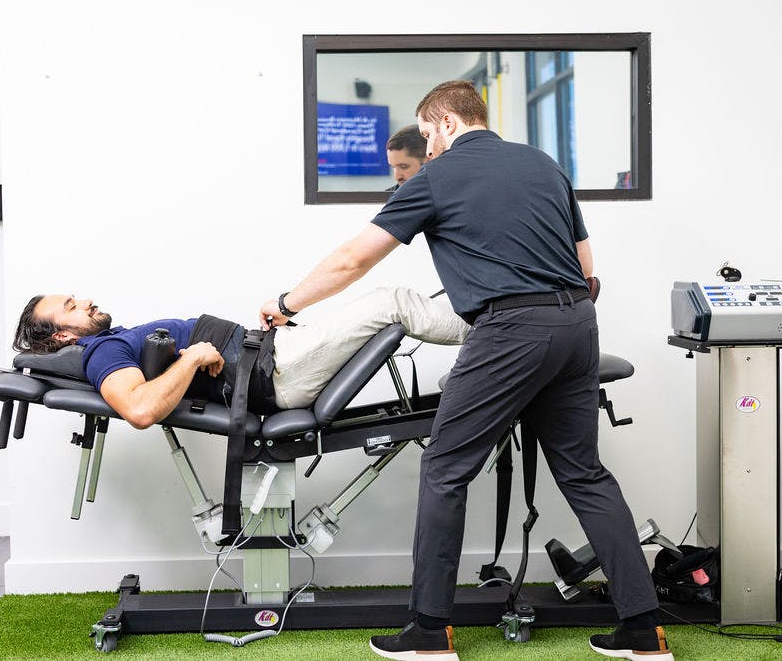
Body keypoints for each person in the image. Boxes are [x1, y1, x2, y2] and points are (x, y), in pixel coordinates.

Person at [258, 81, 671, 661]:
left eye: (426, 135)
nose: (424, 148)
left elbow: (354, 258)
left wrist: (288, 304)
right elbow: (584, 264)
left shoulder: (437, 177)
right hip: (578, 324)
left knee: (445, 469)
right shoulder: (543, 164)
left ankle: (428, 630)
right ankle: (644, 628)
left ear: (447, 122)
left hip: (510, 330)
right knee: (584, 474)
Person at [12, 287, 468, 428]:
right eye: (71, 308)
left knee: (391, 309)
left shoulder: (112, 337)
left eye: (76, 298)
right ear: (60, 338)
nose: (85, 303)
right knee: (394, 303)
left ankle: (477, 364)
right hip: (277, 372)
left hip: (272, 357)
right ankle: (502, 340)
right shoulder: (101, 351)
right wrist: (192, 360)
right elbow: (139, 409)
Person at [385, 124, 428, 191]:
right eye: (393, 167)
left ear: (427, 161)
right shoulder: (387, 199)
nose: (397, 177)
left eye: (403, 167)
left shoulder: (446, 196)